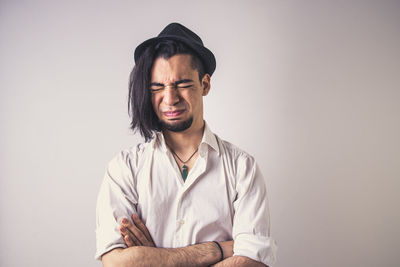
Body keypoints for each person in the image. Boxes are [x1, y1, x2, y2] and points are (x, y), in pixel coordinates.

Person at [95, 22, 277, 267]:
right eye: (157, 87)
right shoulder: (124, 169)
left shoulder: (243, 168)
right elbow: (117, 263)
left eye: (182, 84)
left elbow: (253, 262)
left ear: (205, 84)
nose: (170, 99)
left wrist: (154, 260)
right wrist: (216, 250)